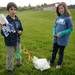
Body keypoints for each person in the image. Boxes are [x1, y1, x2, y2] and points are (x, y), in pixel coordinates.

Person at [0, 2, 23, 72]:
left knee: (18, 53)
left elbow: (21, 29)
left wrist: (20, 32)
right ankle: (9, 68)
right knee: (10, 56)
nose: (13, 11)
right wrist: (1, 27)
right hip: (9, 42)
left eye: (15, 9)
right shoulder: (5, 20)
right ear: (8, 10)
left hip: (17, 40)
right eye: (11, 9)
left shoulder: (17, 19)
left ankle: (18, 63)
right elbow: (3, 34)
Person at [50, 2, 73, 69]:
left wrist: (61, 33)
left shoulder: (68, 18)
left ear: (65, 8)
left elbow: (70, 29)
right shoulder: (57, 18)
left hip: (63, 40)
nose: (60, 10)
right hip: (56, 38)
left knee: (61, 52)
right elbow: (54, 26)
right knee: (54, 51)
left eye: (62, 8)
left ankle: (59, 64)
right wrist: (54, 33)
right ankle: (51, 62)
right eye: (59, 9)